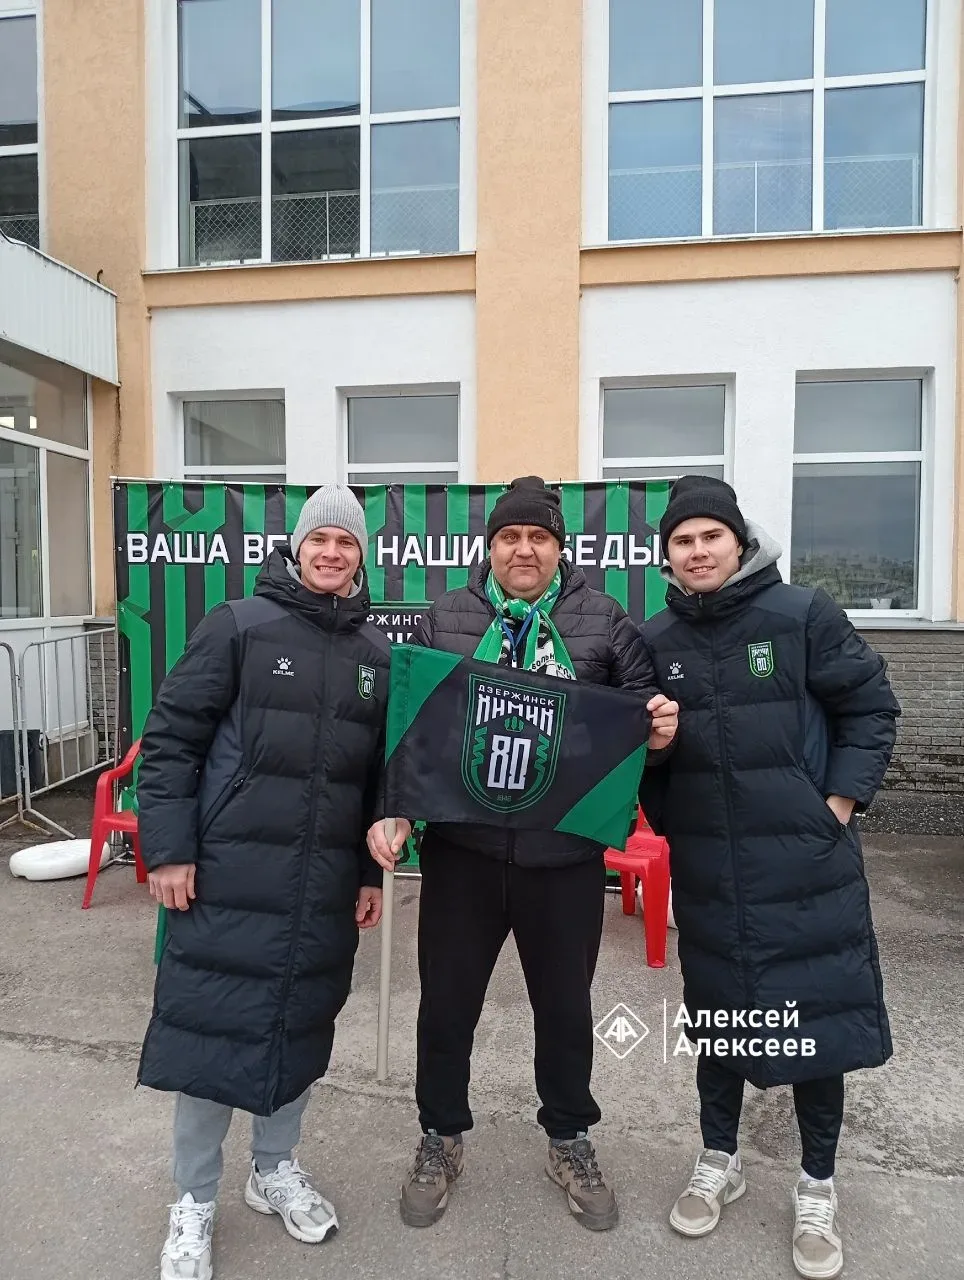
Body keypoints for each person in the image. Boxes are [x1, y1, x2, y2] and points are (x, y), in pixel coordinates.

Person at [368, 476, 678, 1233]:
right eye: (510, 536)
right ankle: (441, 1134)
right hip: (463, 855)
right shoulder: (447, 616)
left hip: (563, 858)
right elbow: (410, 725)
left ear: (560, 548)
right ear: (491, 547)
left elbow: (640, 718)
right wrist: (394, 807)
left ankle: (569, 1137)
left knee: (565, 1009)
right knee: (446, 1006)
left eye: (538, 537)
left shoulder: (603, 620)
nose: (524, 549)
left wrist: (661, 734)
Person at [638, 475, 900, 1280]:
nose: (698, 551)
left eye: (710, 536)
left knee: (816, 1024)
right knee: (721, 1020)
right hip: (713, 870)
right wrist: (656, 750)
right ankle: (719, 1158)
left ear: (740, 542)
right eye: (683, 541)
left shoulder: (802, 615)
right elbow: (644, 767)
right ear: (668, 558)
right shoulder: (655, 640)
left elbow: (870, 707)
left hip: (806, 864)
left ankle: (817, 1185)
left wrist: (839, 804)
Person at [137, 486, 400, 1280]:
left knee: (299, 1027)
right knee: (210, 1033)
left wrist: (367, 872)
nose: (332, 553)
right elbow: (171, 740)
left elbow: (376, 779)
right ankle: (194, 1200)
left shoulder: (373, 653)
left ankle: (274, 1169)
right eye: (320, 539)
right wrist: (169, 850)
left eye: (346, 543)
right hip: (228, 875)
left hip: (321, 886)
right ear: (296, 547)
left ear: (361, 557)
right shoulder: (239, 626)